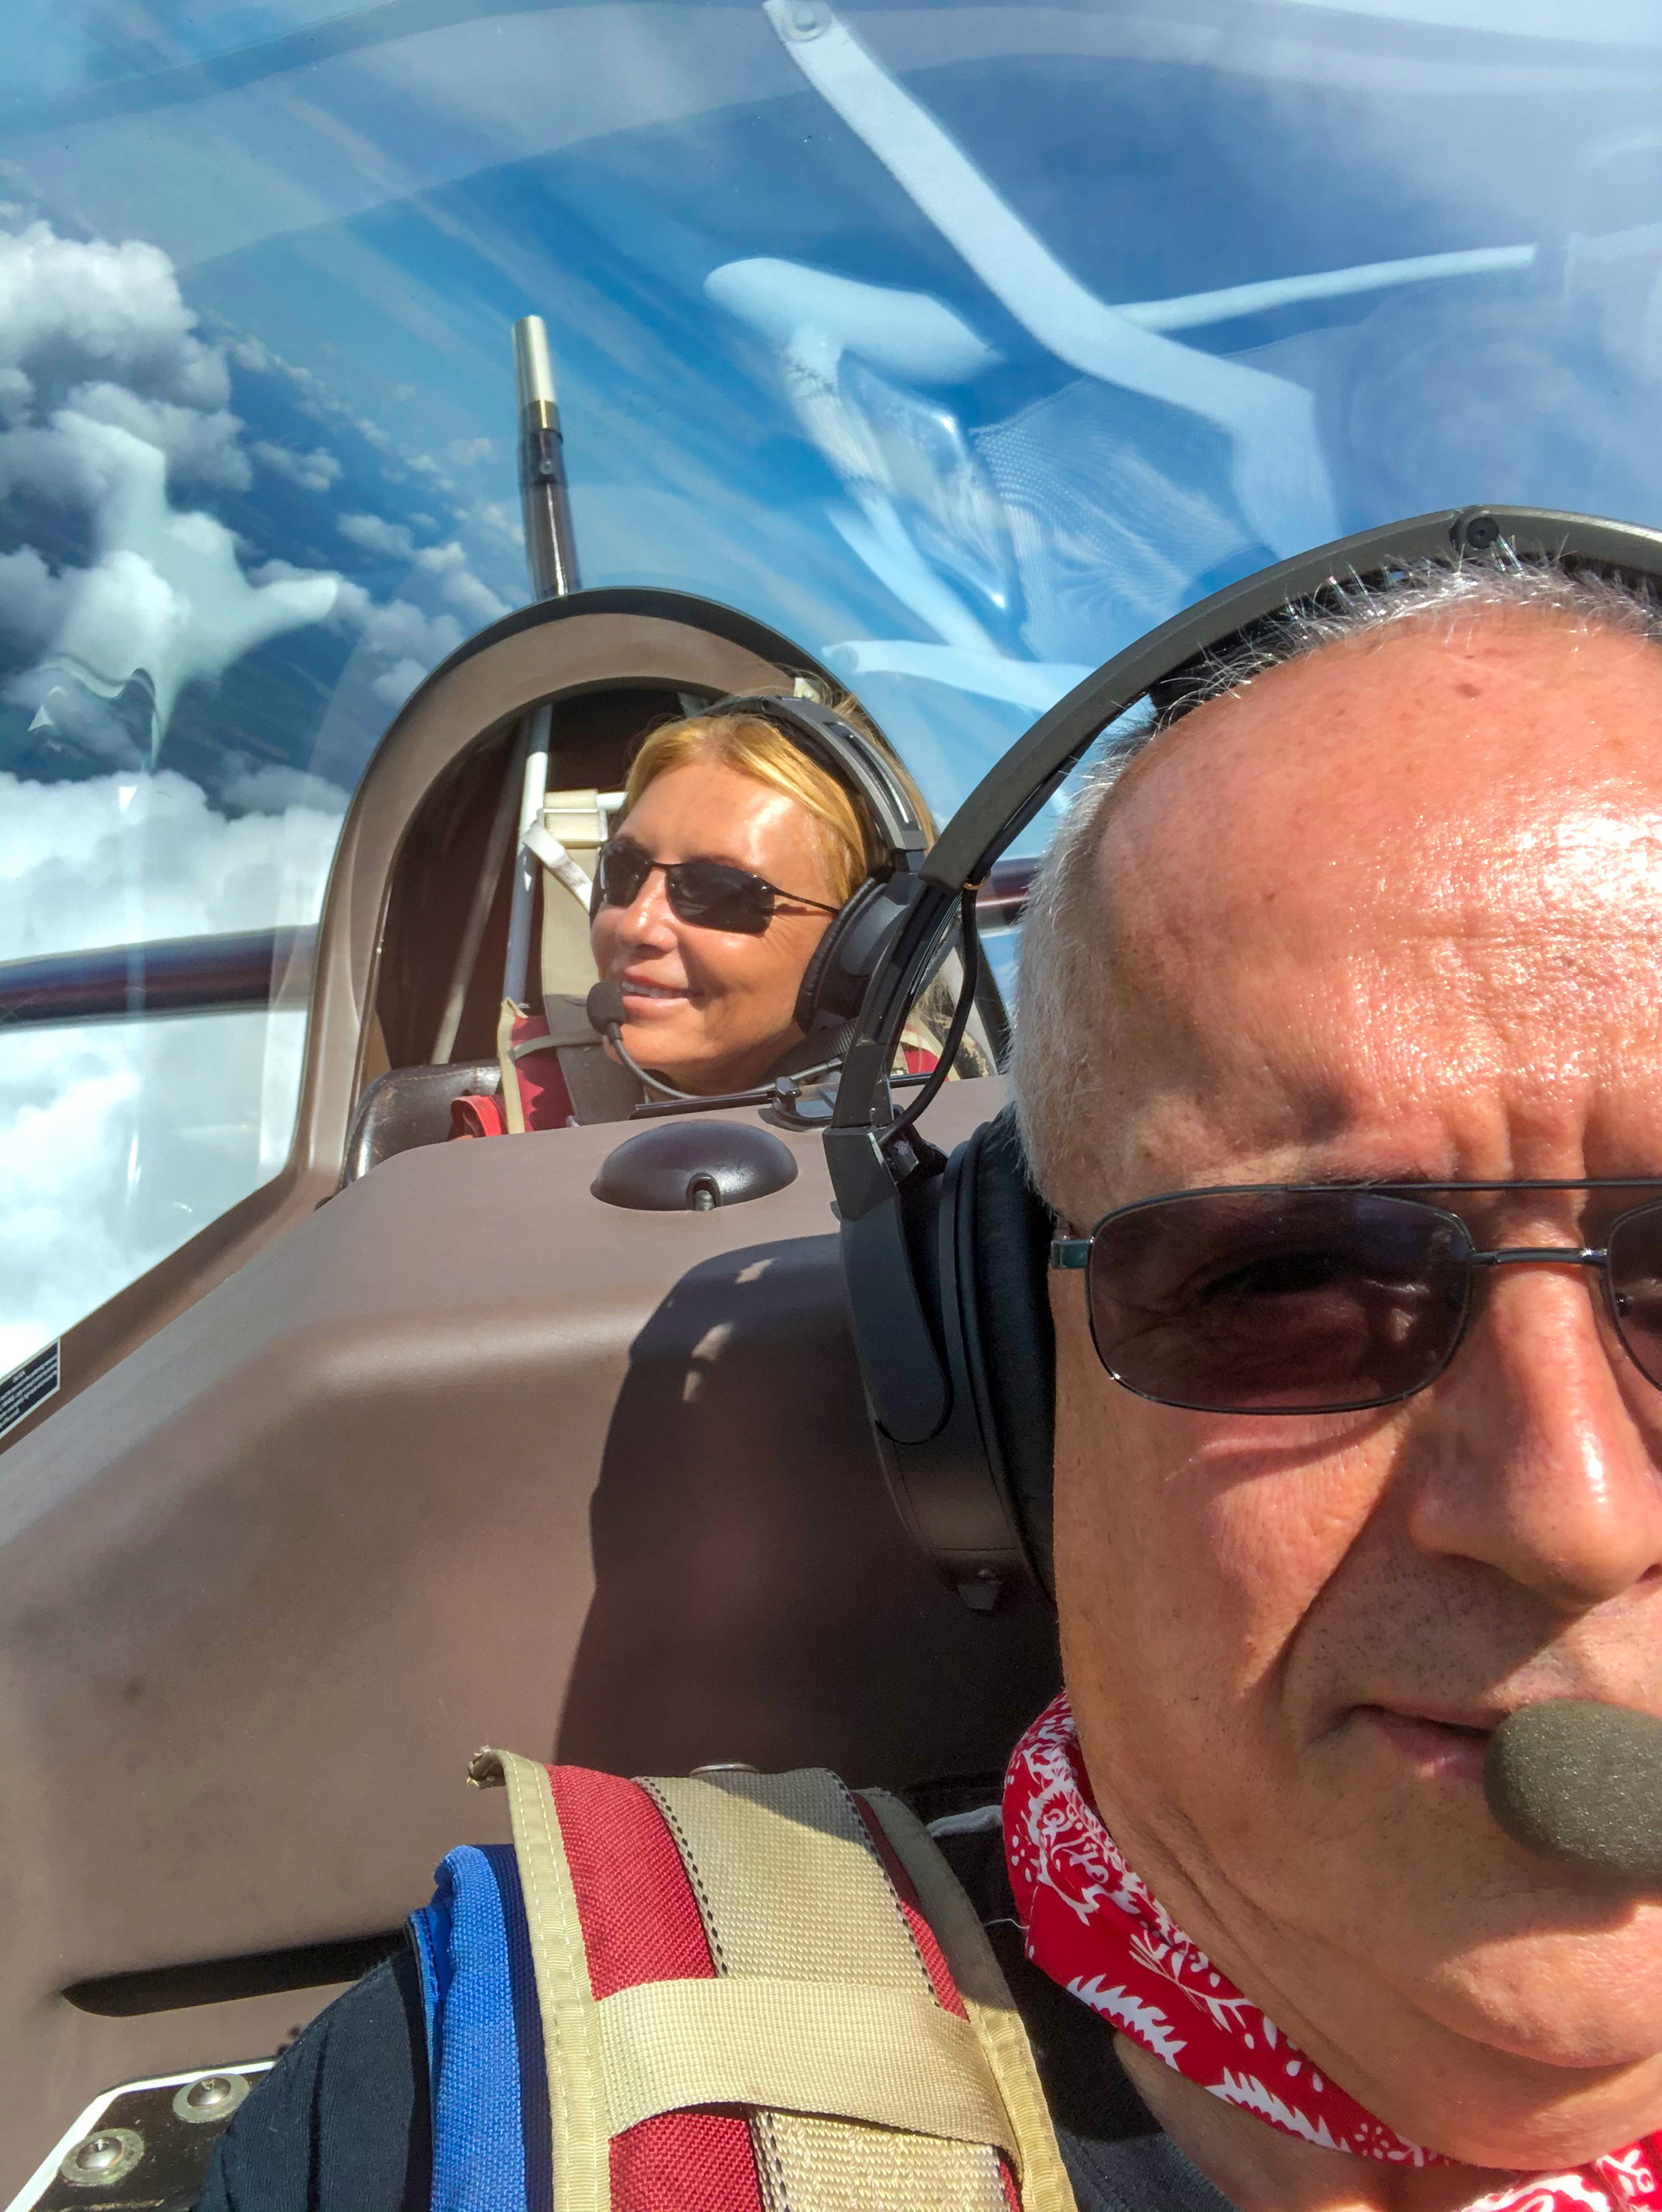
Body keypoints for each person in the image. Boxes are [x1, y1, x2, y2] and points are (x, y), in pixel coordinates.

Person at [203, 546, 1662, 2212]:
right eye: (1292, 1280)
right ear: (997, 1374)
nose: (1572, 1513)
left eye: (727, 896)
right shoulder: (500, 2106)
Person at [452, 695, 972, 1132]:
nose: (634, 924)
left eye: (717, 892)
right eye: (623, 870)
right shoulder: (507, 1141)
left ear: (867, 941)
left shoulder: (949, 1122)